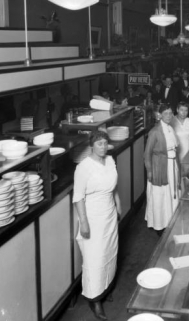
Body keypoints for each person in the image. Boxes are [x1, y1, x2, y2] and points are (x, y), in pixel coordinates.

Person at [73, 131, 121, 320]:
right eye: (99, 143)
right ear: (91, 145)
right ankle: (95, 300)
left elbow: (114, 187)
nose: (102, 147)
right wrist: (84, 223)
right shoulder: (83, 168)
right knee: (95, 258)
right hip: (93, 217)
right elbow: (78, 197)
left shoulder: (110, 160)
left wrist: (118, 205)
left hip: (109, 213)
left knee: (109, 253)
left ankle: (105, 288)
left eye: (104, 143)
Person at [144, 104, 181, 235]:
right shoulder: (155, 131)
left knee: (171, 193)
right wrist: (149, 170)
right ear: (160, 115)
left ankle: (170, 220)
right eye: (166, 113)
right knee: (161, 195)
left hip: (172, 166)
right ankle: (160, 225)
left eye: (171, 113)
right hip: (160, 167)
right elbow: (147, 153)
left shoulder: (170, 128)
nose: (169, 116)